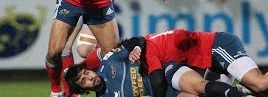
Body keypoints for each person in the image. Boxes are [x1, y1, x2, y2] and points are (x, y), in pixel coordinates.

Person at [126, 29, 268, 97]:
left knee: (259, 82)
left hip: (218, 47)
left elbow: (158, 80)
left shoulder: (149, 51)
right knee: (216, 93)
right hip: (212, 61)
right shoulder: (150, 41)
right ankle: (255, 92)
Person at [64, 43, 246, 97]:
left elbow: (136, 41)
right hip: (167, 95)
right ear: (83, 89)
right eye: (84, 80)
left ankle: (235, 88)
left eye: (86, 73)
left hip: (164, 73)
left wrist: (136, 50)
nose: (90, 77)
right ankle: (237, 89)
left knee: (200, 86)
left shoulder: (109, 61)